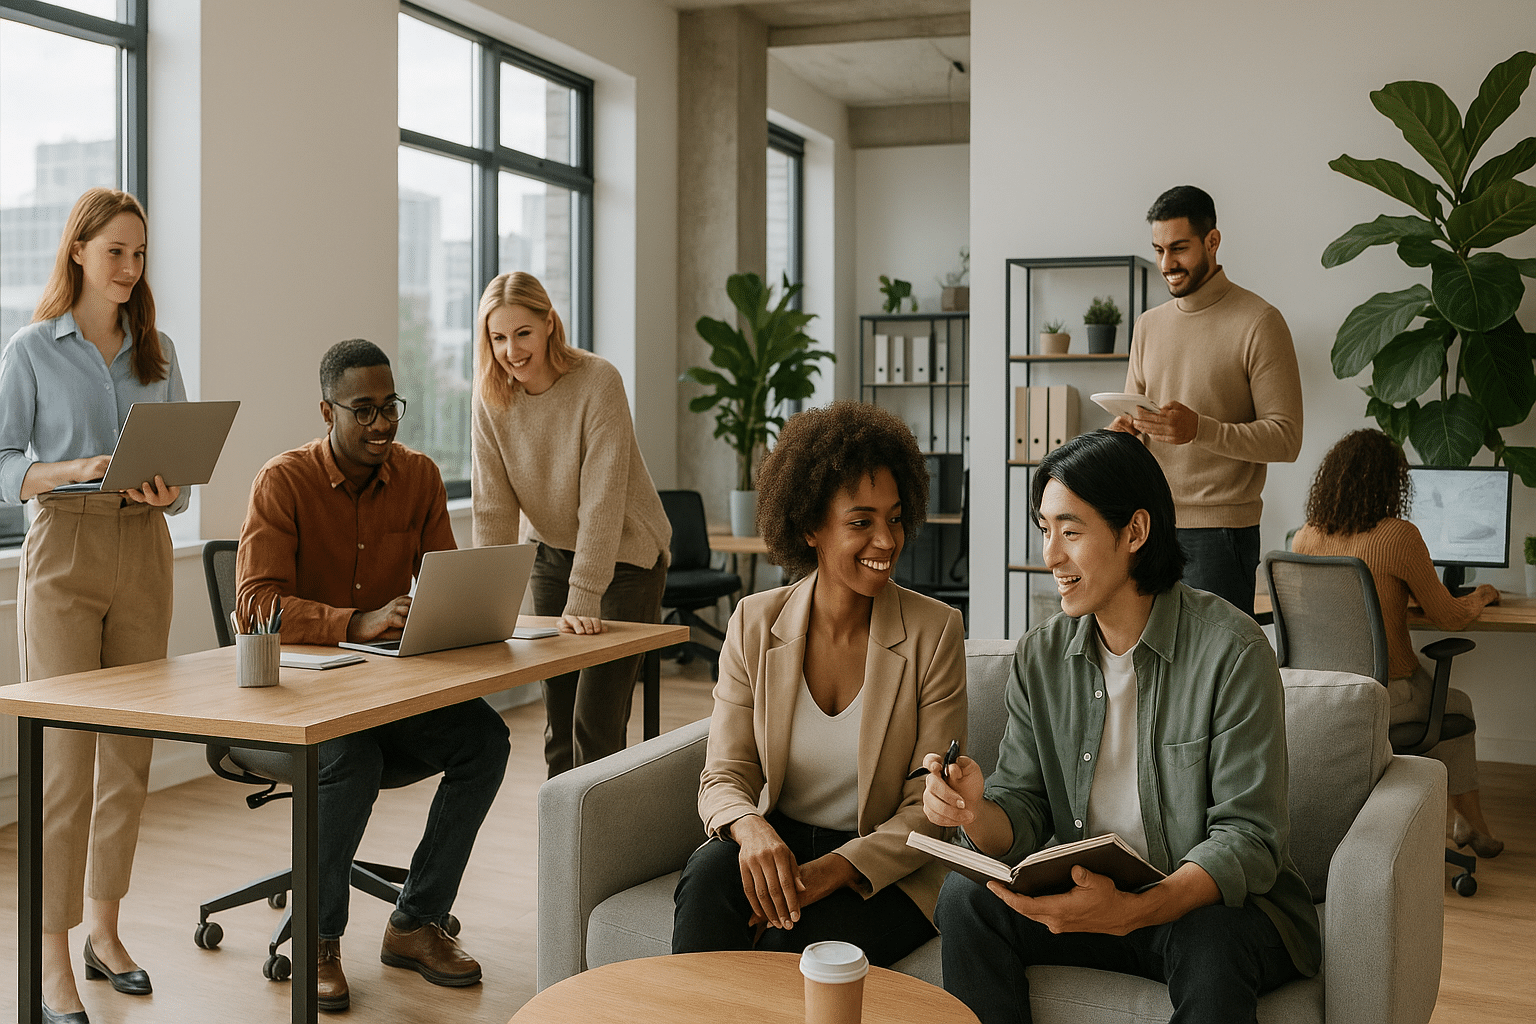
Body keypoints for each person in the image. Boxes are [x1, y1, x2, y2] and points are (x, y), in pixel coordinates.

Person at [922, 429, 1319, 1024]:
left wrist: (1138, 910)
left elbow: (1249, 837)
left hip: (1198, 909)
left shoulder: (1232, 651)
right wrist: (975, 812)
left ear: (1134, 532)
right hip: (1093, 900)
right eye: (1045, 531)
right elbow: (1023, 809)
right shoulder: (1041, 656)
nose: (1051, 555)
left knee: (1211, 941)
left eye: (1071, 531)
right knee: (966, 901)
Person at [237, 339, 510, 1012]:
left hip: (385, 693)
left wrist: (456, 618)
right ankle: (318, 940)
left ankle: (415, 923)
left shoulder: (417, 477)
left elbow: (447, 583)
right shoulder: (283, 480)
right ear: (326, 410)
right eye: (365, 410)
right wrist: (352, 620)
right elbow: (254, 605)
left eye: (391, 407)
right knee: (351, 758)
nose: (383, 423)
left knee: (484, 741)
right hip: (296, 704)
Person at [671, 401, 967, 966]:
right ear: (809, 526)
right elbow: (724, 773)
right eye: (861, 522)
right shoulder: (754, 623)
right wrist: (749, 827)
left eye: (895, 517)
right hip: (779, 837)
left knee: (790, 945)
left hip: (884, 865)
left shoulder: (936, 631)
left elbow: (927, 809)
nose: (887, 540)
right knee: (708, 884)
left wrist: (830, 872)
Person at [0, 188, 186, 1024]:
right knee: (65, 765)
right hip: (65, 551)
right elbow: (3, 465)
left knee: (130, 757)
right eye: (116, 251)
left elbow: (181, 482)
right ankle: (48, 959)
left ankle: (104, 933)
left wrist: (169, 488)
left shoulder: (158, 350)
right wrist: (68, 470)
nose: (130, 268)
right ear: (78, 250)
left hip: (143, 547)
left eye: (140, 254)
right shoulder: (32, 349)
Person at [470, 271, 670, 777]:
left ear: (549, 325)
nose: (511, 351)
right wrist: (488, 610)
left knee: (595, 722)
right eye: (497, 337)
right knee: (559, 725)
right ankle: (564, 854)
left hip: (626, 556)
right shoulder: (491, 398)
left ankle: (609, 855)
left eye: (523, 334)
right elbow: (493, 509)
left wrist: (583, 596)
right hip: (552, 554)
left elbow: (602, 501)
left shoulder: (597, 380)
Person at [1292, 429, 1504, 857]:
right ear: (1393, 484)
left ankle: (1461, 822)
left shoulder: (1305, 538)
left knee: (1447, 702)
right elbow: (1448, 615)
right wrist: (1482, 595)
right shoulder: (1398, 537)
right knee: (1456, 704)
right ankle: (1472, 823)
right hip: (1386, 690)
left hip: (1324, 693)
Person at [1110, 185, 1302, 617]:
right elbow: (1139, 421)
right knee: (1152, 668)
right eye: (1158, 249)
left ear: (1212, 242)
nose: (1166, 264)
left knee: (1213, 673)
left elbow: (1286, 439)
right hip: (1148, 526)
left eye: (1179, 249)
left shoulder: (1259, 322)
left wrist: (1201, 430)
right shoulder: (1147, 326)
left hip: (1220, 535)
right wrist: (1123, 434)